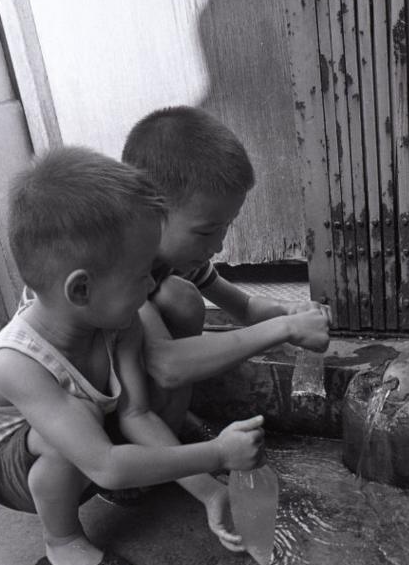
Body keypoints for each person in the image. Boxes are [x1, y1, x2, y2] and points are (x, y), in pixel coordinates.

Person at [0, 146, 266, 565]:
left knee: (106, 410)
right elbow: (104, 465)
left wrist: (209, 492)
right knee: (76, 426)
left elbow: (137, 414)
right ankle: (62, 545)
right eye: (139, 275)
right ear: (81, 288)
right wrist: (216, 453)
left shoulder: (116, 322)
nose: (152, 285)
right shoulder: (16, 364)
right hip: (16, 472)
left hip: (85, 438)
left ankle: (151, 469)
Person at [121, 106, 330, 435]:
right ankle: (152, 448)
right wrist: (286, 328)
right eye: (206, 231)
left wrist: (289, 311)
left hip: (126, 394)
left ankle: (170, 428)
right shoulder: (118, 267)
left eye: (226, 228)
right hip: (73, 413)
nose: (218, 246)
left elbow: (244, 308)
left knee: (178, 296)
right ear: (147, 211)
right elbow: (166, 365)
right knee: (181, 298)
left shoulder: (177, 259)